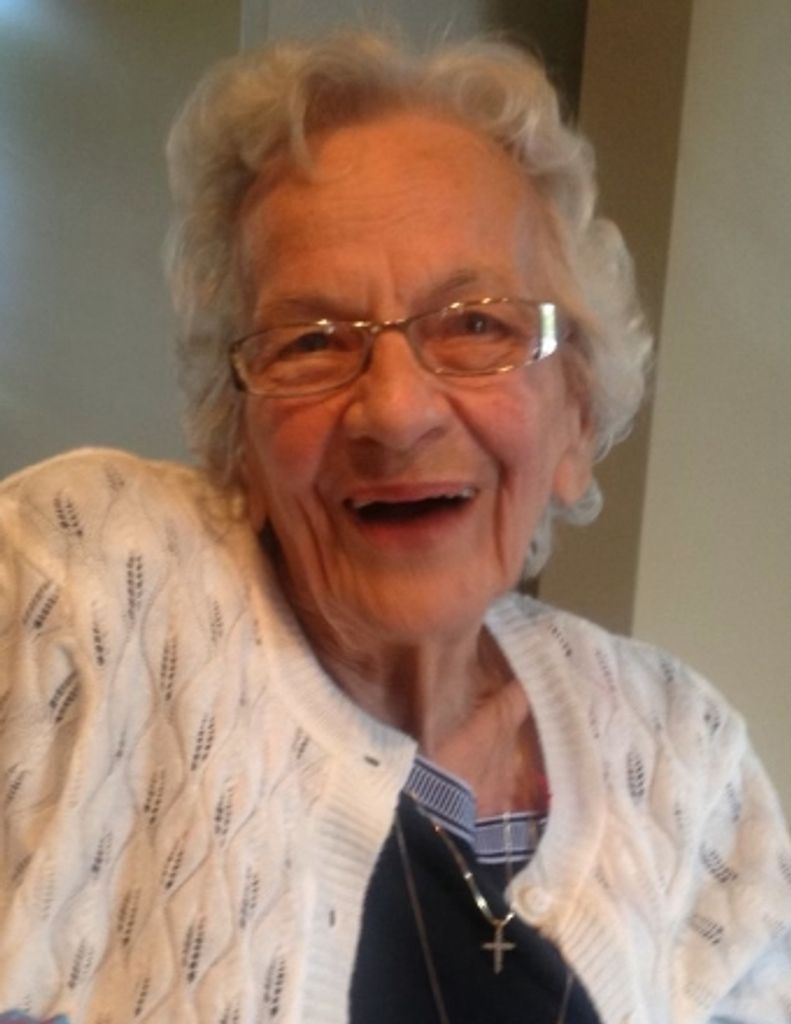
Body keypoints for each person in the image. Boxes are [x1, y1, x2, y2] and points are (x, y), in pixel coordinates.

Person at [0, 30, 789, 1024]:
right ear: (236, 434)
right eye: (311, 342)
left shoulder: (682, 753)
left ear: (575, 420)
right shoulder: (83, 585)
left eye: (476, 324)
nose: (395, 411)